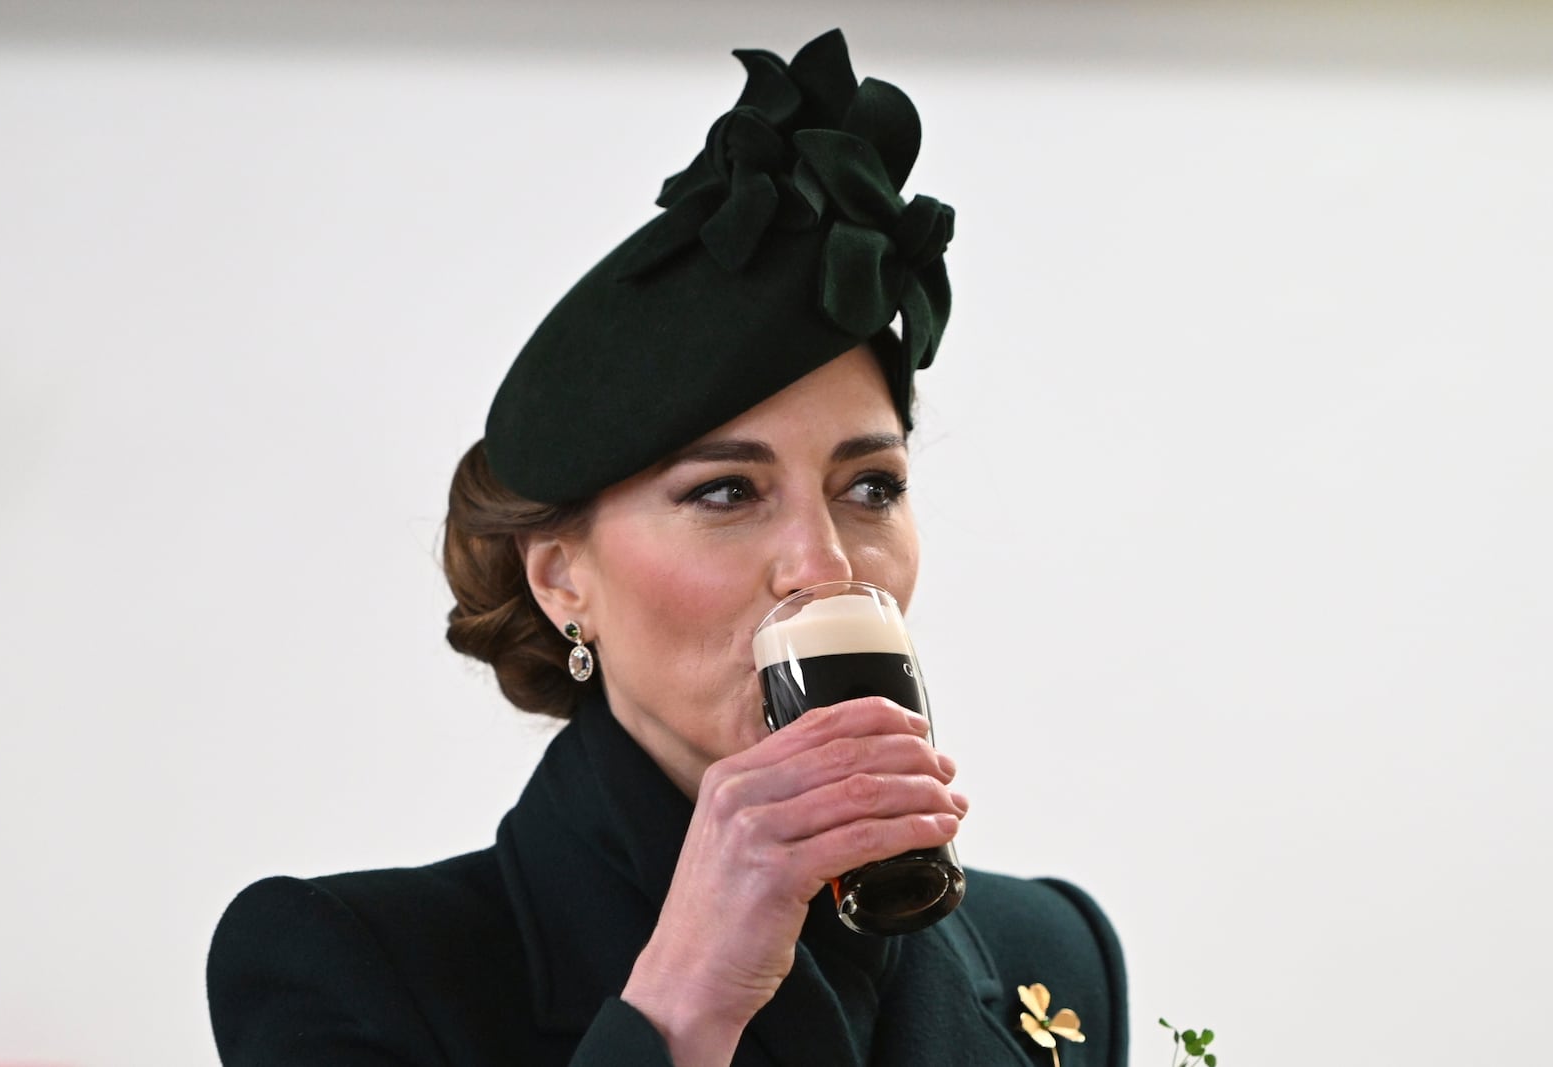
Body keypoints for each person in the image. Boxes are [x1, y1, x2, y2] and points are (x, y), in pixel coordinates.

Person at [207, 29, 1128, 1067]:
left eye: (869, 486)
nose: (822, 565)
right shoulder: (363, 968)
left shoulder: (1054, 951)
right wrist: (681, 1008)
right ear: (561, 576)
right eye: (726, 490)